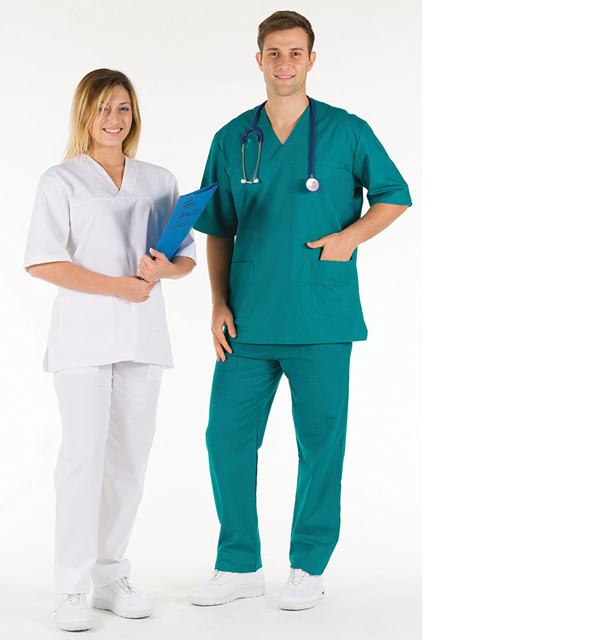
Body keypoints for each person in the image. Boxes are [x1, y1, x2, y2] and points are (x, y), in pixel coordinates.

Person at [186, 11, 412, 612]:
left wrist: (349, 238)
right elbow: (218, 227)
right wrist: (217, 302)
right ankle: (238, 564)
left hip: (320, 317)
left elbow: (395, 195)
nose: (284, 63)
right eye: (274, 53)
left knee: (319, 445)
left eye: (295, 53)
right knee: (225, 438)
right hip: (249, 320)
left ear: (311, 60)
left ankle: (308, 565)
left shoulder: (346, 131)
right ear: (258, 59)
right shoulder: (232, 138)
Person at [24, 68, 196, 632]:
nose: (114, 119)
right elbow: (42, 261)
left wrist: (164, 269)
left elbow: (186, 258)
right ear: (84, 114)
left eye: (123, 108)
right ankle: (71, 587)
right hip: (84, 337)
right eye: (102, 108)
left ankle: (109, 575)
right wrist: (119, 286)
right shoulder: (62, 180)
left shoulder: (159, 179)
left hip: (143, 335)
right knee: (82, 457)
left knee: (129, 462)